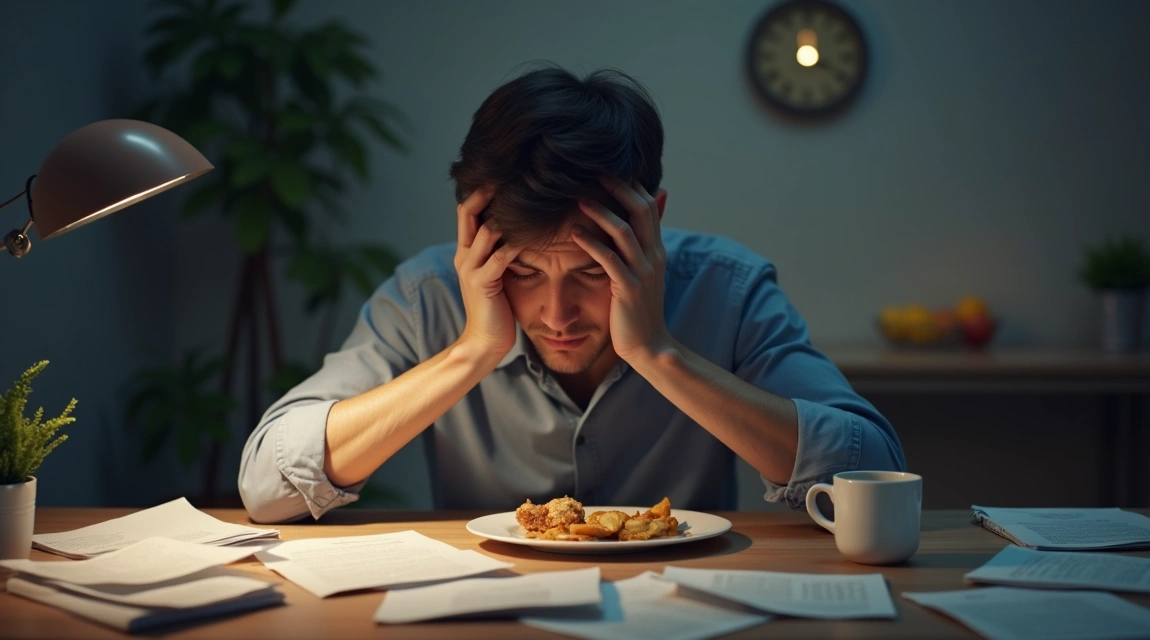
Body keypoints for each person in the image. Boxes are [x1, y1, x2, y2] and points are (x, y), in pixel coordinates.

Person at [238, 66, 905, 523]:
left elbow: (872, 468)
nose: (556, 316)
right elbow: (267, 485)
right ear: (478, 228)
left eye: (591, 272)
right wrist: (472, 350)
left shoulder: (727, 288)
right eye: (524, 272)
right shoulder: (428, 294)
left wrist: (656, 352)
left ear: (651, 220)